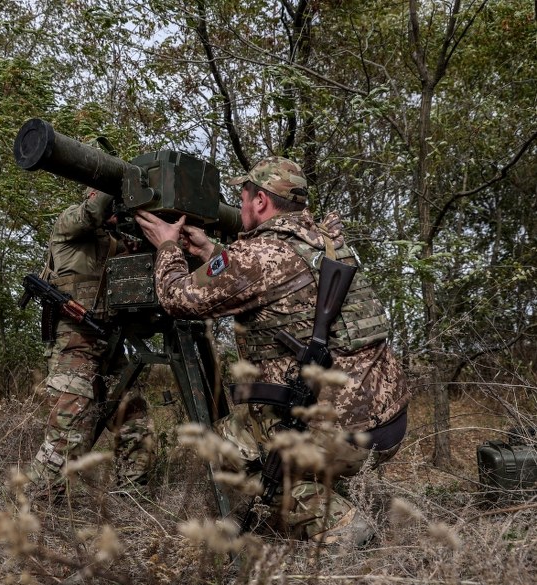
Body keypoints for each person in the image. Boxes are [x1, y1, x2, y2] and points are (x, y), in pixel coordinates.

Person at [135, 156, 409, 545]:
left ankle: (339, 525)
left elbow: (177, 298)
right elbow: (273, 276)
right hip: (388, 423)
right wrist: (212, 251)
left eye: (243, 196)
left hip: (343, 437)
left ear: (261, 201)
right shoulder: (326, 241)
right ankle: (314, 486)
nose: (240, 203)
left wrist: (167, 245)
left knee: (224, 444)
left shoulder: (258, 255)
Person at [25, 188, 154, 505]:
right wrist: (114, 181)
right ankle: (39, 502)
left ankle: (133, 494)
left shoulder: (117, 241)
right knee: (69, 430)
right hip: (74, 342)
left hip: (110, 344)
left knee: (134, 417)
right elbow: (92, 212)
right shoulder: (70, 224)